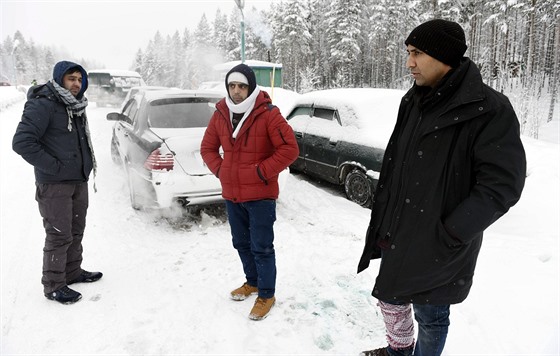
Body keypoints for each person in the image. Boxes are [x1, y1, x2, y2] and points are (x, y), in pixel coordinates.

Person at [357, 19, 526, 356]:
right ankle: (400, 350)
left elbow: (502, 184)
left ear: (443, 55)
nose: (409, 63)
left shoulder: (489, 109)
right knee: (390, 296)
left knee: (431, 313)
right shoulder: (414, 101)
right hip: (400, 227)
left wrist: (451, 232)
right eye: (408, 52)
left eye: (417, 53)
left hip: (440, 239)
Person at [200, 63, 299, 320]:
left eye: (241, 86)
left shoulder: (267, 113)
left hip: (260, 197)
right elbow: (207, 148)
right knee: (241, 243)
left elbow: (290, 149)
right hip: (233, 194)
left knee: (262, 247)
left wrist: (260, 172)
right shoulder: (221, 112)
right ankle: (252, 282)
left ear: (251, 87)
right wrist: (221, 171)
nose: (236, 91)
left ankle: (267, 294)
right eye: (232, 86)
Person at [13, 60, 103, 305]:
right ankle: (53, 285)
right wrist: (55, 167)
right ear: (59, 79)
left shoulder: (75, 106)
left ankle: (72, 272)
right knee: (59, 234)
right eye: (71, 78)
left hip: (77, 180)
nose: (76, 83)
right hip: (55, 184)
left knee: (75, 230)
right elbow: (22, 142)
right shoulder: (44, 104)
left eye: (79, 79)